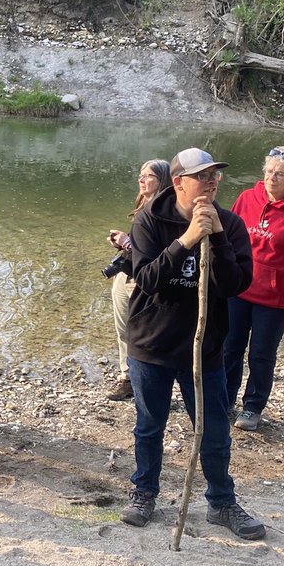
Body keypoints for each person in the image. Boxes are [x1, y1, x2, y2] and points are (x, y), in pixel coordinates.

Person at [121, 147, 265, 540]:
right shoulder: (150, 219)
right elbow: (147, 278)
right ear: (180, 182)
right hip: (152, 343)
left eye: (215, 175)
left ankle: (221, 502)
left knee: (214, 428)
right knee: (150, 425)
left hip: (205, 349)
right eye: (203, 176)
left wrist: (215, 238)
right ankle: (144, 492)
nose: (212, 182)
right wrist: (186, 240)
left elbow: (235, 285)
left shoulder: (230, 225)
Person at [223, 146, 284, 431]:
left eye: (280, 174)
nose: (272, 178)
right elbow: (227, 240)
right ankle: (225, 399)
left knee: (261, 355)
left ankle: (253, 407)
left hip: (275, 300)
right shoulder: (246, 198)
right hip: (238, 291)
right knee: (229, 348)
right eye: (268, 171)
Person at [104, 159, 170, 402]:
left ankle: (146, 380)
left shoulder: (167, 210)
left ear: (163, 180)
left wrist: (126, 242)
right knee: (123, 329)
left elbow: (157, 251)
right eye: (141, 175)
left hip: (143, 280)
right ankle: (127, 378)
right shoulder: (143, 203)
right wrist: (124, 243)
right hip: (126, 273)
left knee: (144, 331)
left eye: (148, 176)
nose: (141, 180)